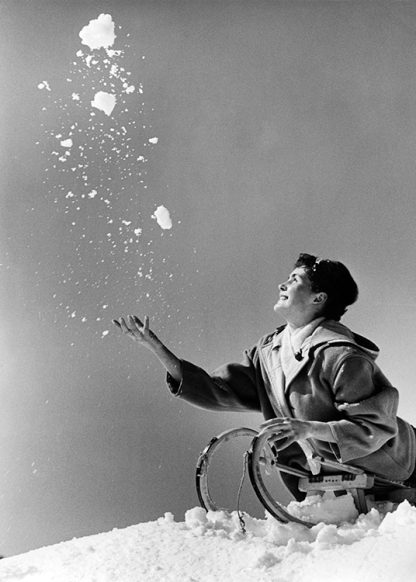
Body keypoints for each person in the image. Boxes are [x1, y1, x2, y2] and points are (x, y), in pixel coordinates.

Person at [113, 253, 416, 499]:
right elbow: (218, 390)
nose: (282, 284)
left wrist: (308, 429)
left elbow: (374, 426)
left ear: (318, 298)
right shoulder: (268, 352)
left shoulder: (342, 356)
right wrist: (158, 349)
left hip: (401, 464)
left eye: (295, 280)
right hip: (335, 483)